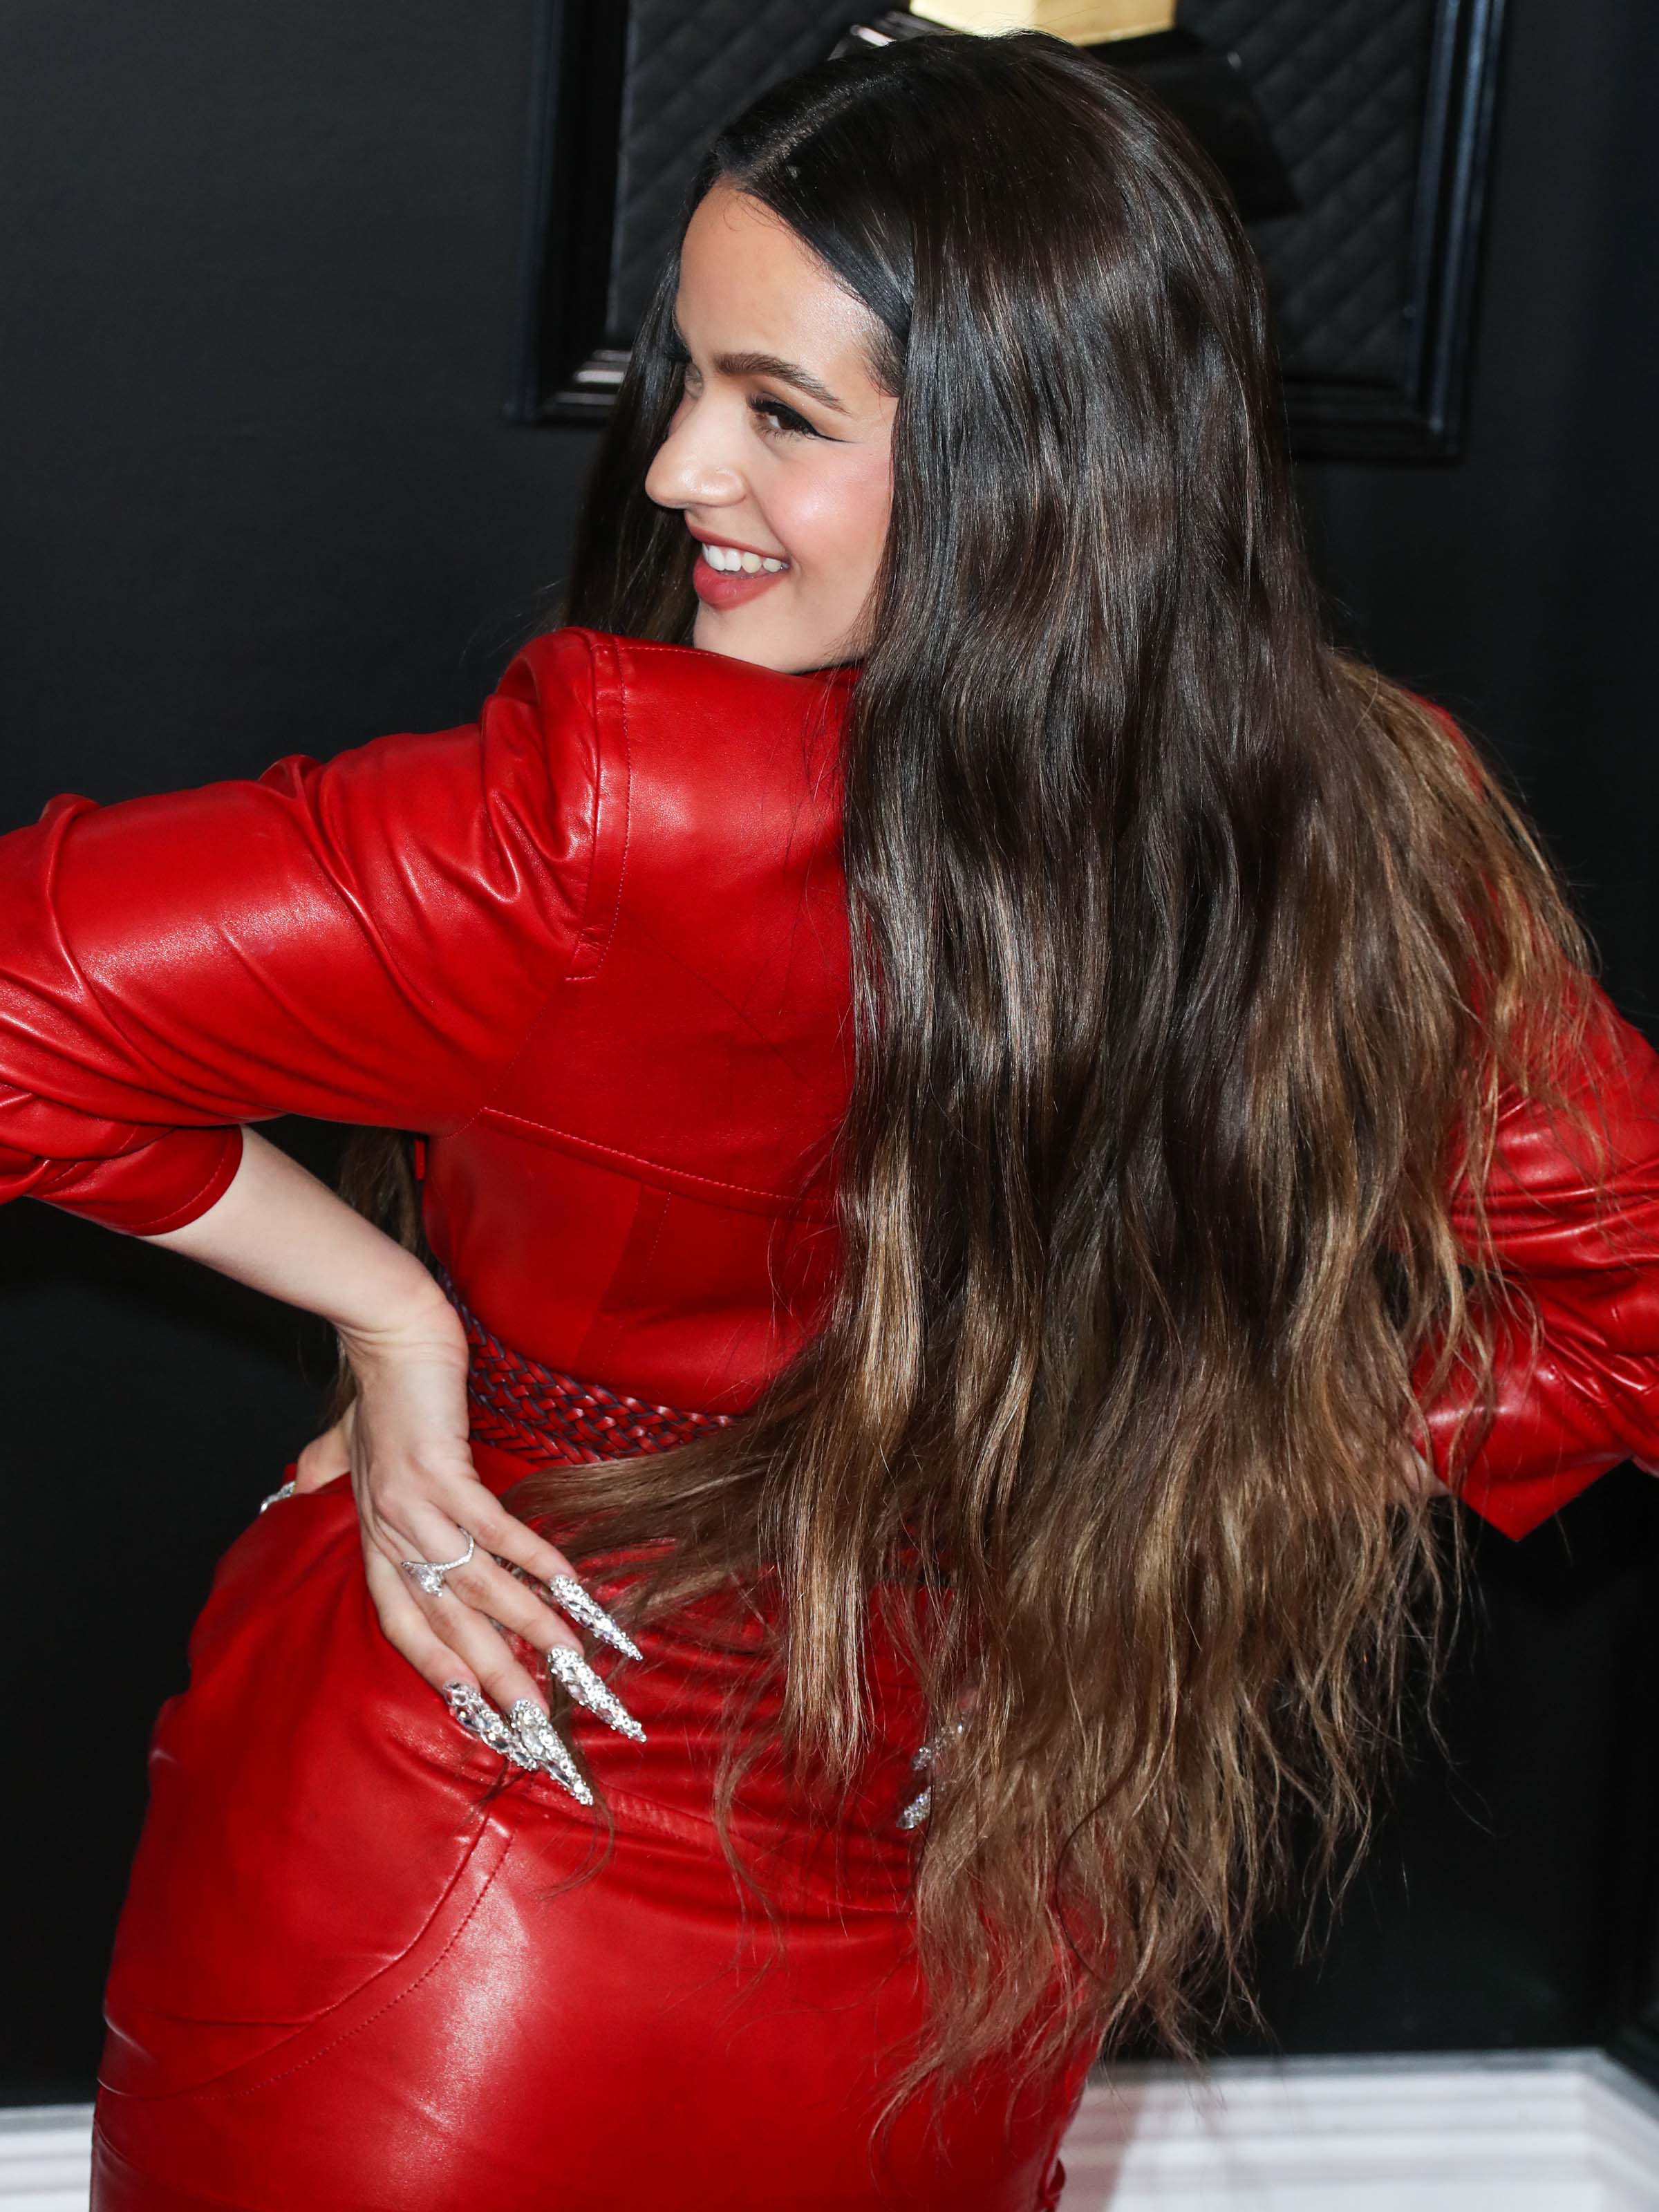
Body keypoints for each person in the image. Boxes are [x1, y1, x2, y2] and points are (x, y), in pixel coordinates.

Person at [3, 30, 1657, 2212]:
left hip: (680, 1922)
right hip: (784, 1904)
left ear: (1034, 457)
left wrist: (400, 1329)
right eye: (686, 379)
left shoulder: (622, 814)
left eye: (782, 412)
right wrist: (1161, 1503)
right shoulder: (1364, 826)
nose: (681, 465)